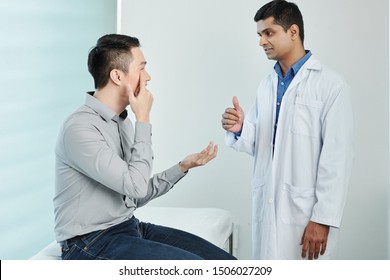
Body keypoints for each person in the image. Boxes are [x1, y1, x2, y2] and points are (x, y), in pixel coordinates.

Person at [53, 34, 236, 260]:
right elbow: (136, 187)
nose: (148, 77)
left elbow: (133, 196)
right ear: (117, 76)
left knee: (225, 263)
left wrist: (182, 167)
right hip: (89, 242)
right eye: (142, 68)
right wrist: (144, 118)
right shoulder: (80, 128)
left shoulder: (122, 123)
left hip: (127, 227)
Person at [221, 0, 354, 260]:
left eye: (269, 33)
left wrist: (323, 218)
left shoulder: (331, 86)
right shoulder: (267, 84)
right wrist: (242, 129)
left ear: (293, 32)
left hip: (306, 214)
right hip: (269, 207)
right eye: (260, 35)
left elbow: (337, 158)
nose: (262, 41)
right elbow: (264, 145)